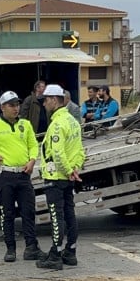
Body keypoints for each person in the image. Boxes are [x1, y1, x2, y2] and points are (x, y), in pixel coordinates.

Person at [0, 90, 41, 262]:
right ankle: (10, 248)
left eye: (17, 105)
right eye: (11, 105)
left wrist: (32, 160)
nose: (16, 108)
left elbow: (33, 145)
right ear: (2, 107)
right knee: (7, 214)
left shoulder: (25, 124)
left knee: (28, 212)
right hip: (5, 176)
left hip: (23, 174)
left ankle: (31, 247)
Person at [36, 84, 85, 270]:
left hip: (56, 177)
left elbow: (57, 153)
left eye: (45, 100)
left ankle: (55, 255)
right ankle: (70, 251)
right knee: (70, 214)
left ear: (54, 100)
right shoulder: (73, 121)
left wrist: (68, 170)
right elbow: (80, 150)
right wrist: (75, 169)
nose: (44, 104)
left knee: (57, 217)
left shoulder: (57, 124)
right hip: (67, 177)